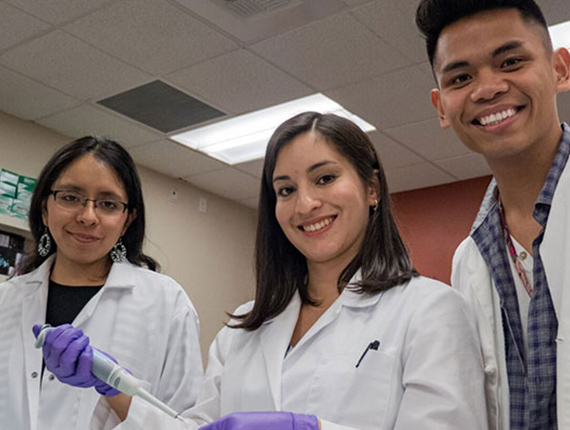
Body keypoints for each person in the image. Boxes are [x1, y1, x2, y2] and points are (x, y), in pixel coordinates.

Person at [38, 113, 488, 429]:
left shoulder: (430, 310)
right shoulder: (244, 330)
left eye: (325, 178)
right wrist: (112, 386)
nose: (306, 203)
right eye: (285, 189)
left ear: (371, 188)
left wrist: (314, 429)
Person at [415, 0, 570, 429]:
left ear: (560, 69)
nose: (487, 88)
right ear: (442, 107)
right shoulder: (469, 261)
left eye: (511, 61)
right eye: (461, 77)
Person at [0, 136, 203, 430]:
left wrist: (114, 390)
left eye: (108, 204)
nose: (87, 216)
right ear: (45, 209)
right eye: (70, 197)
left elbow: (186, 423)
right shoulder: (5, 301)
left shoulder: (165, 303)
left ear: (127, 220)